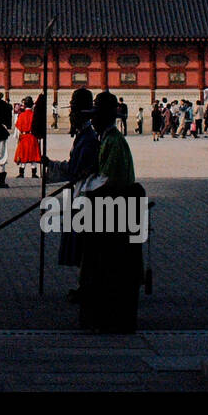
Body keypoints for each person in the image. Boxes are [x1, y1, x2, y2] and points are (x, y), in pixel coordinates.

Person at [77, 90, 143, 333]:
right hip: (111, 212)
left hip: (114, 215)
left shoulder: (114, 142)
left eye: (97, 116)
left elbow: (108, 181)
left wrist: (86, 186)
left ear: (107, 117)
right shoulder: (107, 139)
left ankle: (108, 318)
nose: (93, 120)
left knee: (110, 269)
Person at [58, 87, 99, 295]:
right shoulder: (84, 135)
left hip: (88, 197)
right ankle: (85, 286)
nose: (70, 116)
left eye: (72, 112)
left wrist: (58, 169)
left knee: (87, 245)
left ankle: (87, 287)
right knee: (83, 245)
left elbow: (78, 169)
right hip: (81, 193)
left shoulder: (89, 139)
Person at [13, 96, 40, 179]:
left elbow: (17, 129)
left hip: (24, 137)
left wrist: (17, 138)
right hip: (33, 136)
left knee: (23, 154)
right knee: (33, 155)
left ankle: (21, 173)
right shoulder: (35, 115)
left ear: (24, 105)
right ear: (32, 105)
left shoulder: (21, 115)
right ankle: (34, 173)